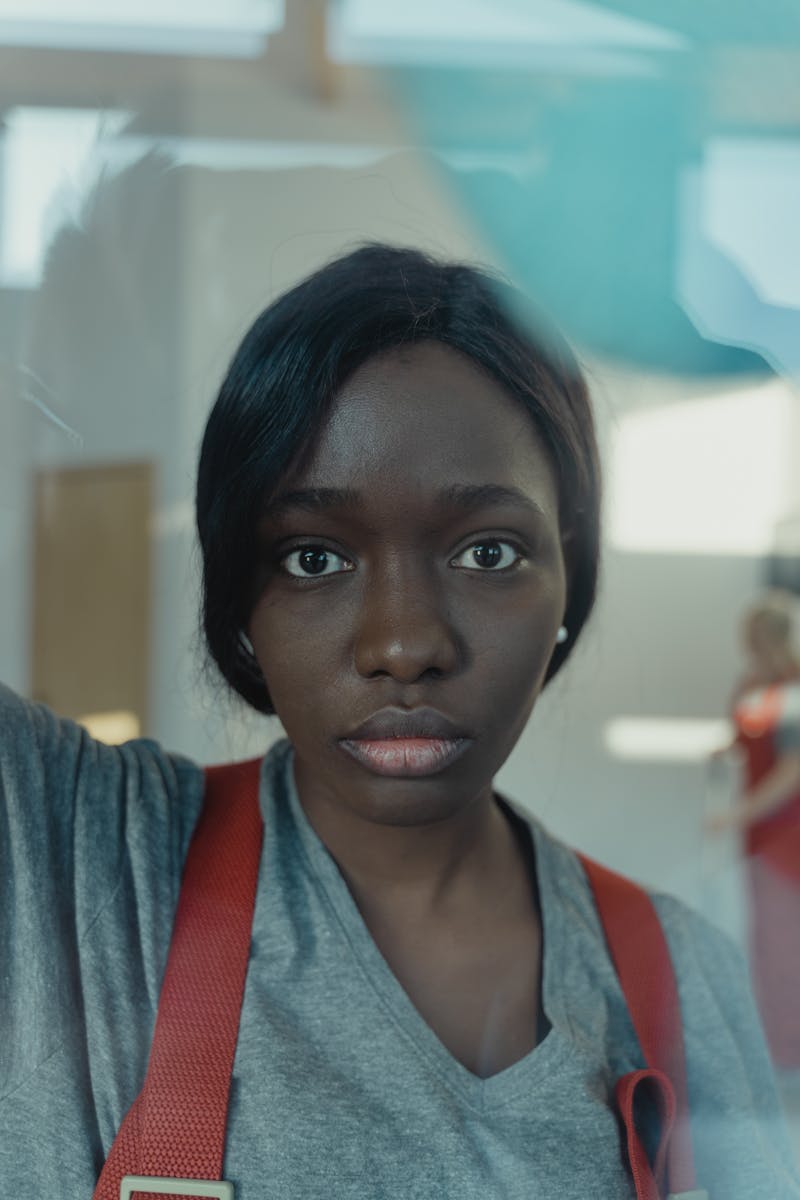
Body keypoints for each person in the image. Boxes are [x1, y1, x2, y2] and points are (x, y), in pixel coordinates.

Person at [1, 244, 798, 1198]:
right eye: (312, 558)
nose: (405, 643)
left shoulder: (679, 977)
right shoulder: (79, 856)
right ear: (238, 599)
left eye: (488, 550)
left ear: (568, 581)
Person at [708, 590, 800, 1070]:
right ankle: (777, 1048)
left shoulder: (793, 690)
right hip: (760, 836)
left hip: (789, 836)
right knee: (766, 939)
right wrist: (726, 751)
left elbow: (792, 770)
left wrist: (737, 812)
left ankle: (788, 1055)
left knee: (787, 944)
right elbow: (746, 738)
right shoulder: (754, 686)